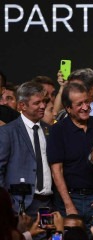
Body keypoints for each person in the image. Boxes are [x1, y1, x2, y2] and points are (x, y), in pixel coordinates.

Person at [47, 83, 93, 226]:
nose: (85, 107)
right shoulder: (58, 130)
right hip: (69, 198)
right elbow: (57, 171)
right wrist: (68, 205)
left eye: (87, 101)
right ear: (68, 108)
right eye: (79, 104)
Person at [0, 82, 53, 218]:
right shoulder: (8, 132)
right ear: (22, 106)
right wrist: (8, 204)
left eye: (44, 101)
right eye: (37, 103)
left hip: (49, 203)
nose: (43, 106)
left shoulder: (50, 130)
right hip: (19, 205)